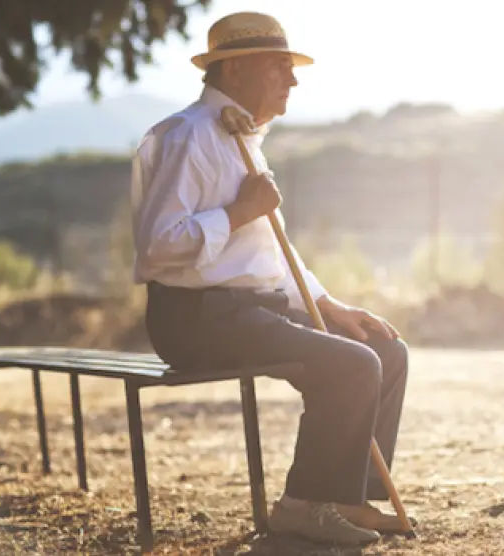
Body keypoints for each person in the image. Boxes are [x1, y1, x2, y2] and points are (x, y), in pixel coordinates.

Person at [129, 11, 411, 546]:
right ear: (234, 69)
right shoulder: (189, 136)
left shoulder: (242, 136)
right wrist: (239, 211)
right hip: (196, 319)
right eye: (279, 66)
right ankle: (301, 507)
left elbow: (268, 251)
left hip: (247, 311)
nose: (293, 81)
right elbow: (157, 245)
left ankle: (349, 498)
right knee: (351, 365)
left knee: (382, 348)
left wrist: (328, 306)